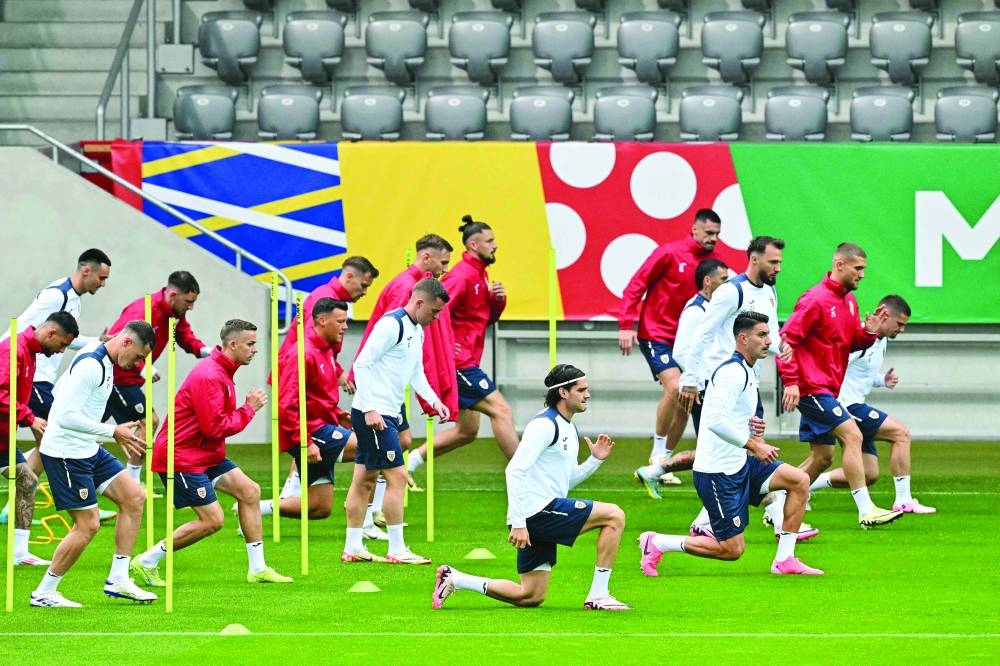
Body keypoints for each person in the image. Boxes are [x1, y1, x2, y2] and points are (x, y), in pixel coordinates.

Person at [638, 312, 824, 578]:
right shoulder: (731, 373)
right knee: (732, 550)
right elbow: (714, 421)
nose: (769, 341)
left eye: (768, 334)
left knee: (799, 481)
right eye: (762, 335)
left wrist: (751, 428)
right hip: (717, 473)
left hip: (739, 463)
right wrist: (754, 444)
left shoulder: (746, 370)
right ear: (743, 338)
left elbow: (730, 417)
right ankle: (657, 543)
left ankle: (785, 560)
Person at [433, 364, 629, 611]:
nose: (587, 395)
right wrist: (519, 522)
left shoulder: (568, 426)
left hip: (540, 513)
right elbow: (514, 470)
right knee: (614, 515)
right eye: (581, 390)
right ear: (563, 393)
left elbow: (565, 481)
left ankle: (455, 578)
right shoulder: (544, 425)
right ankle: (599, 595)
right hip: (534, 513)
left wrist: (594, 460)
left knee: (530, 595)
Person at [131, 319, 291, 587]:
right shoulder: (210, 375)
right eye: (250, 344)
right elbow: (216, 427)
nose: (255, 350)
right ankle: (147, 561)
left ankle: (258, 568)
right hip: (180, 457)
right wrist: (249, 409)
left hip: (205, 453)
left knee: (249, 491)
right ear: (233, 344)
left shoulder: (223, 370)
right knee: (212, 520)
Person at [30, 321, 156, 608]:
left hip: (87, 448)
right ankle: (44, 592)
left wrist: (110, 432)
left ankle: (119, 579)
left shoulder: (105, 360)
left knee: (135, 496)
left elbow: (67, 399)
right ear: (125, 342)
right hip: (65, 453)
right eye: (138, 357)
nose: (137, 364)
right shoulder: (92, 364)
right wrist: (113, 431)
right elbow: (64, 417)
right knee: (88, 525)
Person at [777, 242, 901, 529]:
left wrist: (868, 333)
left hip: (827, 389)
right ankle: (866, 509)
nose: (862, 274)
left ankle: (775, 501)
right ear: (839, 265)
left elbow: (848, 344)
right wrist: (792, 382)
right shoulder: (814, 300)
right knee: (853, 435)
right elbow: (787, 341)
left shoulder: (849, 302)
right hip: (811, 388)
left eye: (864, 269)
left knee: (822, 456)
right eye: (858, 268)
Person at [343, 278, 451, 565]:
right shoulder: (391, 325)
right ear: (419, 303)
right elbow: (362, 364)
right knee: (398, 477)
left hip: (386, 411)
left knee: (364, 478)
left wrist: (434, 400)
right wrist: (369, 408)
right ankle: (397, 549)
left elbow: (416, 371)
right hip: (376, 415)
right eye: (434, 312)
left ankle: (352, 546)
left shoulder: (417, 330)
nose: (436, 318)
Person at [618, 209, 728, 477]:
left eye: (717, 234)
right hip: (657, 335)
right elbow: (636, 285)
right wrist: (625, 325)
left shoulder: (715, 266)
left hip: (689, 341)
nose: (714, 239)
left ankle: (662, 462)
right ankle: (658, 450)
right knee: (678, 388)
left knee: (685, 399)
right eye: (709, 233)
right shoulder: (669, 253)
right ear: (695, 230)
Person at [407, 215, 516, 479]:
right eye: (490, 241)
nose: (495, 245)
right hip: (459, 360)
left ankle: (408, 464)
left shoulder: (480, 274)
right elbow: (436, 312)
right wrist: (445, 351)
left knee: (467, 431)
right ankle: (528, 472)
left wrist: (497, 301)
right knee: (501, 410)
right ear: (474, 245)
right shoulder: (462, 275)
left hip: (468, 358)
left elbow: (482, 319)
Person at [810, 295, 935, 514]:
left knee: (869, 475)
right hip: (845, 406)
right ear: (884, 315)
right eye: (900, 324)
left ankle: (805, 485)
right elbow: (834, 365)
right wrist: (830, 402)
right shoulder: (858, 336)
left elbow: (860, 374)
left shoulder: (882, 339)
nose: (902, 330)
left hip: (855, 403)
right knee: (901, 433)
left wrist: (881, 380)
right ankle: (904, 500)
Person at [277, 255, 379, 498]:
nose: (364, 292)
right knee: (367, 447)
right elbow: (309, 346)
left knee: (318, 502)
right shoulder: (323, 300)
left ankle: (280, 503)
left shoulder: (333, 302)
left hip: (307, 376)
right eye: (364, 286)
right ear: (349, 276)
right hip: (297, 376)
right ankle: (364, 515)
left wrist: (338, 372)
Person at [252, 299, 358, 522]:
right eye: (340, 321)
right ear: (321, 320)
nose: (345, 326)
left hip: (321, 425)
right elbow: (286, 405)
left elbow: (314, 396)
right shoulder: (303, 354)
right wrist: (305, 441)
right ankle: (365, 523)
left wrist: (338, 414)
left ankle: (254, 507)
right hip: (310, 431)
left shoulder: (326, 350)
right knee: (374, 448)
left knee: (320, 507)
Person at [104, 271, 211, 485]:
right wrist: (143, 367)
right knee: (149, 421)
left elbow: (183, 334)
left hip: (129, 379)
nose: (191, 307)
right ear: (172, 294)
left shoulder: (174, 314)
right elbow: (116, 340)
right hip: (117, 376)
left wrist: (203, 350)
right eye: (188, 301)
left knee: (81, 429)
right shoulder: (142, 310)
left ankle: (42, 464)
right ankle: (132, 481)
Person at [632, 258, 728, 498]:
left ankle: (655, 470)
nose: (728, 285)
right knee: (719, 449)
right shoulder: (696, 311)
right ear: (708, 281)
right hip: (704, 389)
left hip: (712, 387)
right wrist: (702, 379)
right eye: (723, 280)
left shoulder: (713, 308)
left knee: (718, 449)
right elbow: (681, 352)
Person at [0, 312, 78, 566]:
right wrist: (29, 418)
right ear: (51, 333)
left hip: (3, 437)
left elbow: (17, 396)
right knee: (27, 480)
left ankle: (20, 554)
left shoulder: (32, 353)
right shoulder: (14, 350)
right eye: (63, 344)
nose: (61, 351)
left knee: (27, 481)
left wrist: (29, 418)